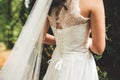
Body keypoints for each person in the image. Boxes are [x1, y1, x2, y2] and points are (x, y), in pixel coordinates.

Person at [42, 0, 105, 80]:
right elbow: (98, 48)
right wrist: (88, 41)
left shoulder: (49, 2)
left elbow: (40, 37)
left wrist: (62, 42)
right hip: (80, 67)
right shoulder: (94, 2)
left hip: (57, 64)